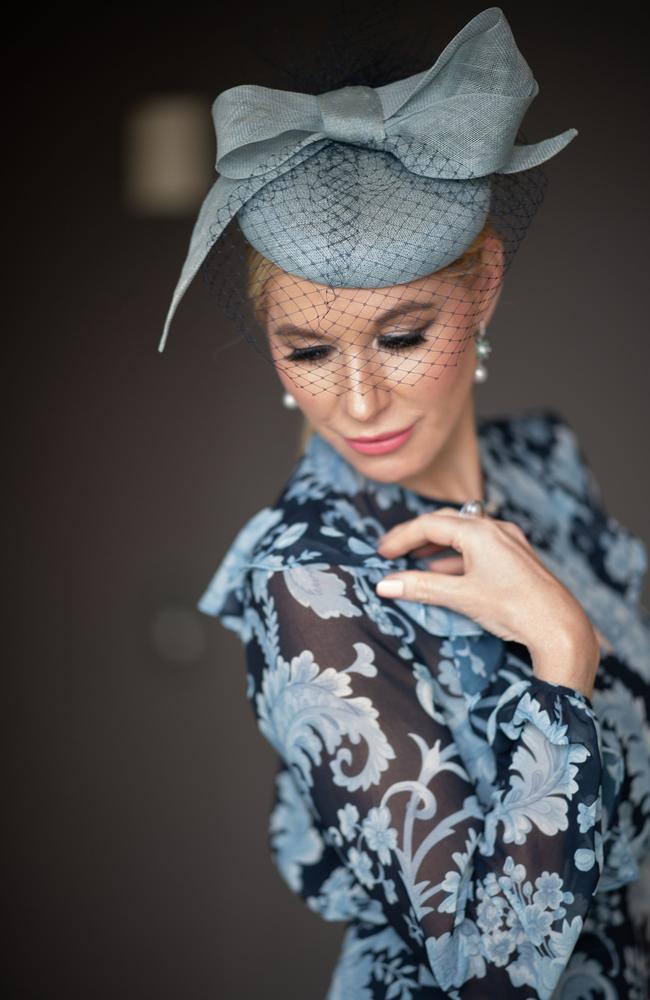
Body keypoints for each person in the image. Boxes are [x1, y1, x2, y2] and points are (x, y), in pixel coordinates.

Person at [158, 7, 650, 996]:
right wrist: (560, 655)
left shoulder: (544, 464)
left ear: (483, 289)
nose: (356, 400)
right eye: (306, 350)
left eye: (398, 335)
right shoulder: (310, 580)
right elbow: (484, 974)